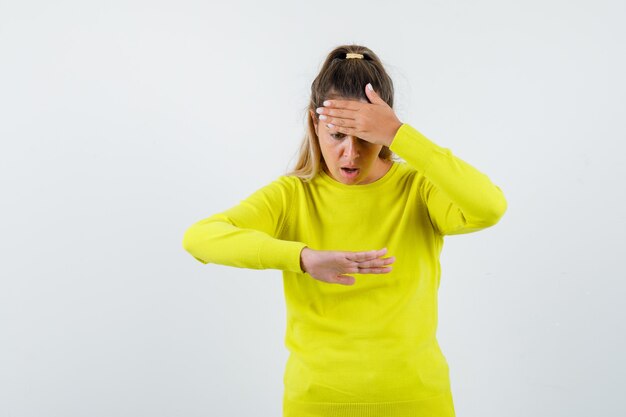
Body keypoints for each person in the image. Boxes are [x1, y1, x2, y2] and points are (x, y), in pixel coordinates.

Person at [182, 44, 507, 417]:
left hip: (418, 400)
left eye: (366, 136)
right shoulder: (293, 194)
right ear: (314, 124)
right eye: (337, 135)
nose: (350, 154)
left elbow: (489, 207)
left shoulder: (419, 190)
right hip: (317, 402)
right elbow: (200, 238)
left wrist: (401, 135)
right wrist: (301, 258)